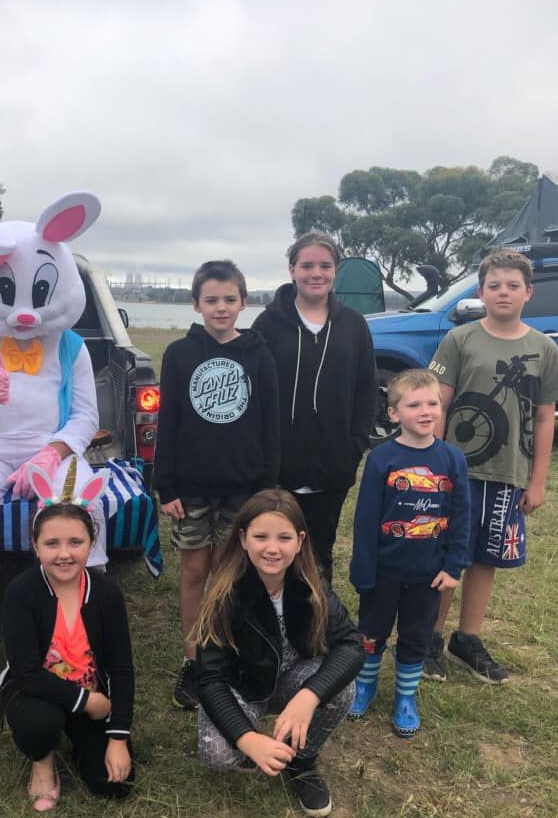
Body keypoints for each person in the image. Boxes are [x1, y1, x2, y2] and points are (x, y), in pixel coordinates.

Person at [424, 250, 558, 684]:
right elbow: (439, 403)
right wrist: (432, 463)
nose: (503, 292)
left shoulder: (544, 348)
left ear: (528, 292)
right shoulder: (460, 339)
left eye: (512, 285)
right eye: (494, 285)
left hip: (509, 474)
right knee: (449, 553)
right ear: (481, 292)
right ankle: (430, 637)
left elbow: (546, 418)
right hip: (456, 472)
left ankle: (466, 638)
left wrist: (537, 481)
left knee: (486, 558)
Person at [154, 260, 280, 710]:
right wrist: (165, 485)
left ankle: (225, 656)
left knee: (233, 576)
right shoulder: (179, 354)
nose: (221, 307)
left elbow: (270, 425)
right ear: (196, 304)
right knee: (194, 571)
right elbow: (168, 421)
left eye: (229, 299)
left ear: (243, 303)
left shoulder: (260, 355)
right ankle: (193, 661)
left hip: (243, 489)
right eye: (212, 300)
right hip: (190, 488)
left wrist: (267, 488)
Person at [195, 489, 363, 817]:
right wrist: (246, 738)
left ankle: (302, 760)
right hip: (242, 687)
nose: (272, 548)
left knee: (342, 688)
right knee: (217, 754)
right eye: (261, 537)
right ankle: (254, 747)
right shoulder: (223, 594)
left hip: (292, 679)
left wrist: (310, 696)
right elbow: (209, 678)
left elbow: (352, 644)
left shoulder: (312, 583)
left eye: (284, 538)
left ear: (300, 541)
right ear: (243, 539)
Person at [0, 459, 134, 811]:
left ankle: (81, 742)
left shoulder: (106, 594)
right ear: (35, 546)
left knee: (114, 786)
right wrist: (87, 702)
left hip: (92, 693)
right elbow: (27, 673)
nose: (64, 554)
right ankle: (42, 760)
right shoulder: (21, 592)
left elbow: (121, 668)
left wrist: (118, 737)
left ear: (91, 543)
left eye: (75, 542)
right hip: (37, 693)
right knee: (38, 723)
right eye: (52, 543)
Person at [348, 370, 470, 736]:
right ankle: (365, 685)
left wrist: (454, 567)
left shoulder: (452, 460)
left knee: (416, 637)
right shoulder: (381, 459)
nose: (425, 411)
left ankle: (405, 697)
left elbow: (462, 517)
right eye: (414, 404)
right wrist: (363, 569)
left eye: (433, 403)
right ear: (394, 413)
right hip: (383, 571)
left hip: (428, 574)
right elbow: (365, 518)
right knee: (371, 632)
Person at [252, 232, 376, 585]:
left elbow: (366, 390)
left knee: (319, 550)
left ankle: (318, 616)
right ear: (292, 270)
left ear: (336, 270)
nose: (316, 273)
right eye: (307, 265)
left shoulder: (353, 325)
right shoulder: (267, 324)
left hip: (333, 465)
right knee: (275, 550)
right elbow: (254, 392)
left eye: (325, 265)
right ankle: (272, 617)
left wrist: (355, 445)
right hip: (278, 466)